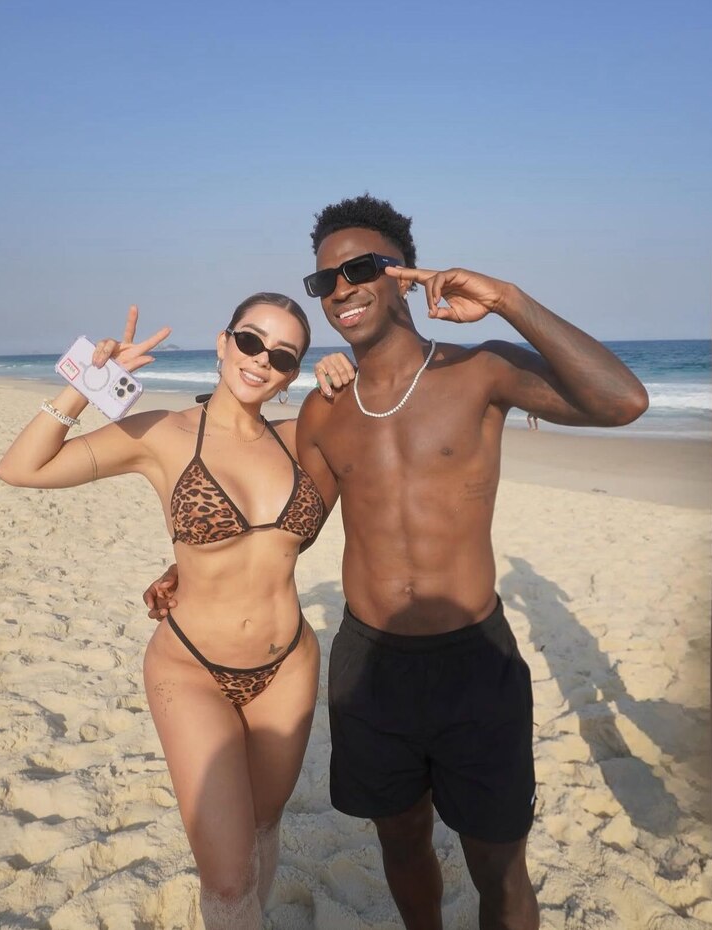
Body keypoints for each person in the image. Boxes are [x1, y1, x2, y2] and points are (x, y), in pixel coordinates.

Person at [145, 194, 649, 930]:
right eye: (326, 280)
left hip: (475, 661)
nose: (343, 288)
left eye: (361, 268)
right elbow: (292, 525)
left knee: (497, 861)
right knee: (402, 838)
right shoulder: (324, 410)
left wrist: (508, 299)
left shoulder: (481, 373)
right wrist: (192, 565)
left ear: (404, 275)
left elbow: (621, 401)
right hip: (371, 666)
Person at [0, 295, 327, 930]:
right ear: (224, 341)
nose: (262, 361)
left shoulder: (299, 438)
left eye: (283, 355)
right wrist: (87, 383)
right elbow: (22, 469)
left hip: (288, 667)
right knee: (226, 884)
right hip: (192, 670)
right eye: (251, 342)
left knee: (261, 828)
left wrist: (343, 380)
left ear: (293, 373)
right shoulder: (162, 434)